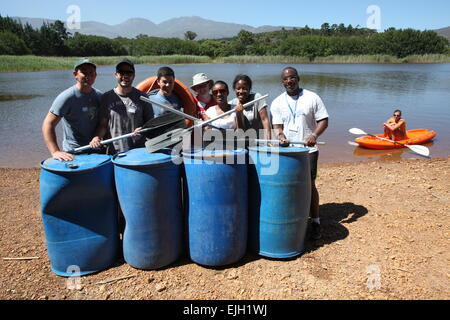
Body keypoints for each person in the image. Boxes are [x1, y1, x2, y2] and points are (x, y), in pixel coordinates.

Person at [270, 66, 329, 240]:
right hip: (288, 151)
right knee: (288, 184)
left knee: (309, 185)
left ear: (298, 78)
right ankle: (294, 218)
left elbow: (324, 120)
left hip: (308, 150)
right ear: (282, 82)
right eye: (286, 79)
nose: (289, 81)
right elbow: (277, 127)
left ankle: (315, 221)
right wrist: (280, 136)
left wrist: (314, 135)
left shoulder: (312, 97)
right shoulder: (277, 102)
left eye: (292, 77)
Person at [42, 57, 102, 161]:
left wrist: (99, 137)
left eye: (91, 72)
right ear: (75, 74)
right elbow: (48, 124)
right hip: (74, 152)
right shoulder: (67, 97)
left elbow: (103, 123)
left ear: (95, 75)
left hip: (96, 149)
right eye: (84, 72)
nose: (88, 76)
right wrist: (55, 151)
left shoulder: (99, 96)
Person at [89, 59, 154, 154]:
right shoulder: (106, 97)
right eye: (121, 72)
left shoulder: (143, 97)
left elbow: (151, 124)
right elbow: (103, 125)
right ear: (116, 75)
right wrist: (97, 137)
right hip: (115, 151)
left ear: (134, 75)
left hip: (139, 151)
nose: (125, 75)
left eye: (129, 72)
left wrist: (143, 129)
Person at [231, 74, 272, 139]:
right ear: (234, 89)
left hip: (258, 140)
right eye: (238, 89)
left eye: (244, 88)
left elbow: (265, 120)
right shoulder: (232, 103)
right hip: (241, 140)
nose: (241, 91)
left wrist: (268, 139)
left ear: (249, 89)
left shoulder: (257, 98)